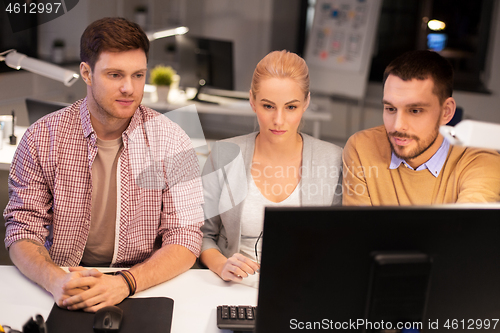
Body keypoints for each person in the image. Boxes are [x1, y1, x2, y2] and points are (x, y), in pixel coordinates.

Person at [3, 17, 204, 312]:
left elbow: (185, 236)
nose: (129, 88)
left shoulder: (173, 139)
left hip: (141, 282)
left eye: (138, 75)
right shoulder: (41, 137)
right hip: (64, 281)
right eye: (115, 75)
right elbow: (22, 230)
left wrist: (125, 283)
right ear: (86, 72)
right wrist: (54, 280)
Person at [200, 50, 343, 282]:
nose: (278, 120)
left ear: (306, 102)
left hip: (303, 288)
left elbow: (340, 241)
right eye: (268, 106)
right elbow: (202, 234)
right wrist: (221, 264)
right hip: (233, 286)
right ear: (252, 101)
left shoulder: (334, 160)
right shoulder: (224, 155)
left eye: (291, 107)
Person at [342, 50, 500, 205]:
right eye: (391, 109)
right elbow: (359, 229)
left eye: (415, 111)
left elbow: (464, 227)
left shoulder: (481, 158)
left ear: (446, 112)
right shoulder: (362, 148)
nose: (397, 126)